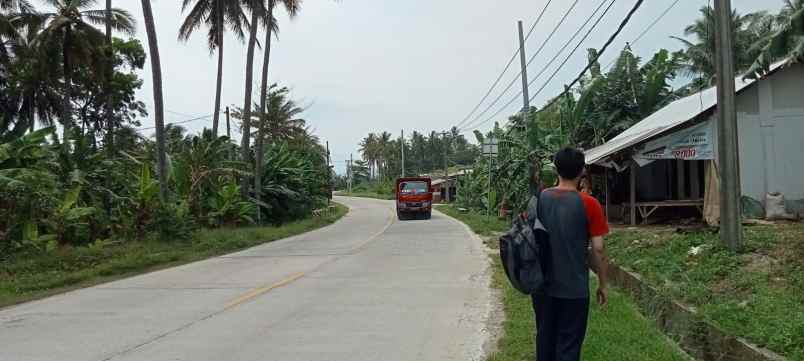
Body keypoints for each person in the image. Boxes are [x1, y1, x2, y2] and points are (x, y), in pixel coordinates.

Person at [531, 147, 610, 361]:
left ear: (556, 169)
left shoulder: (541, 197)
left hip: (543, 287)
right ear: (582, 171)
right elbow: (598, 249)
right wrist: (602, 284)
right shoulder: (590, 204)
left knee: (545, 341)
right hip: (574, 290)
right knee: (569, 347)